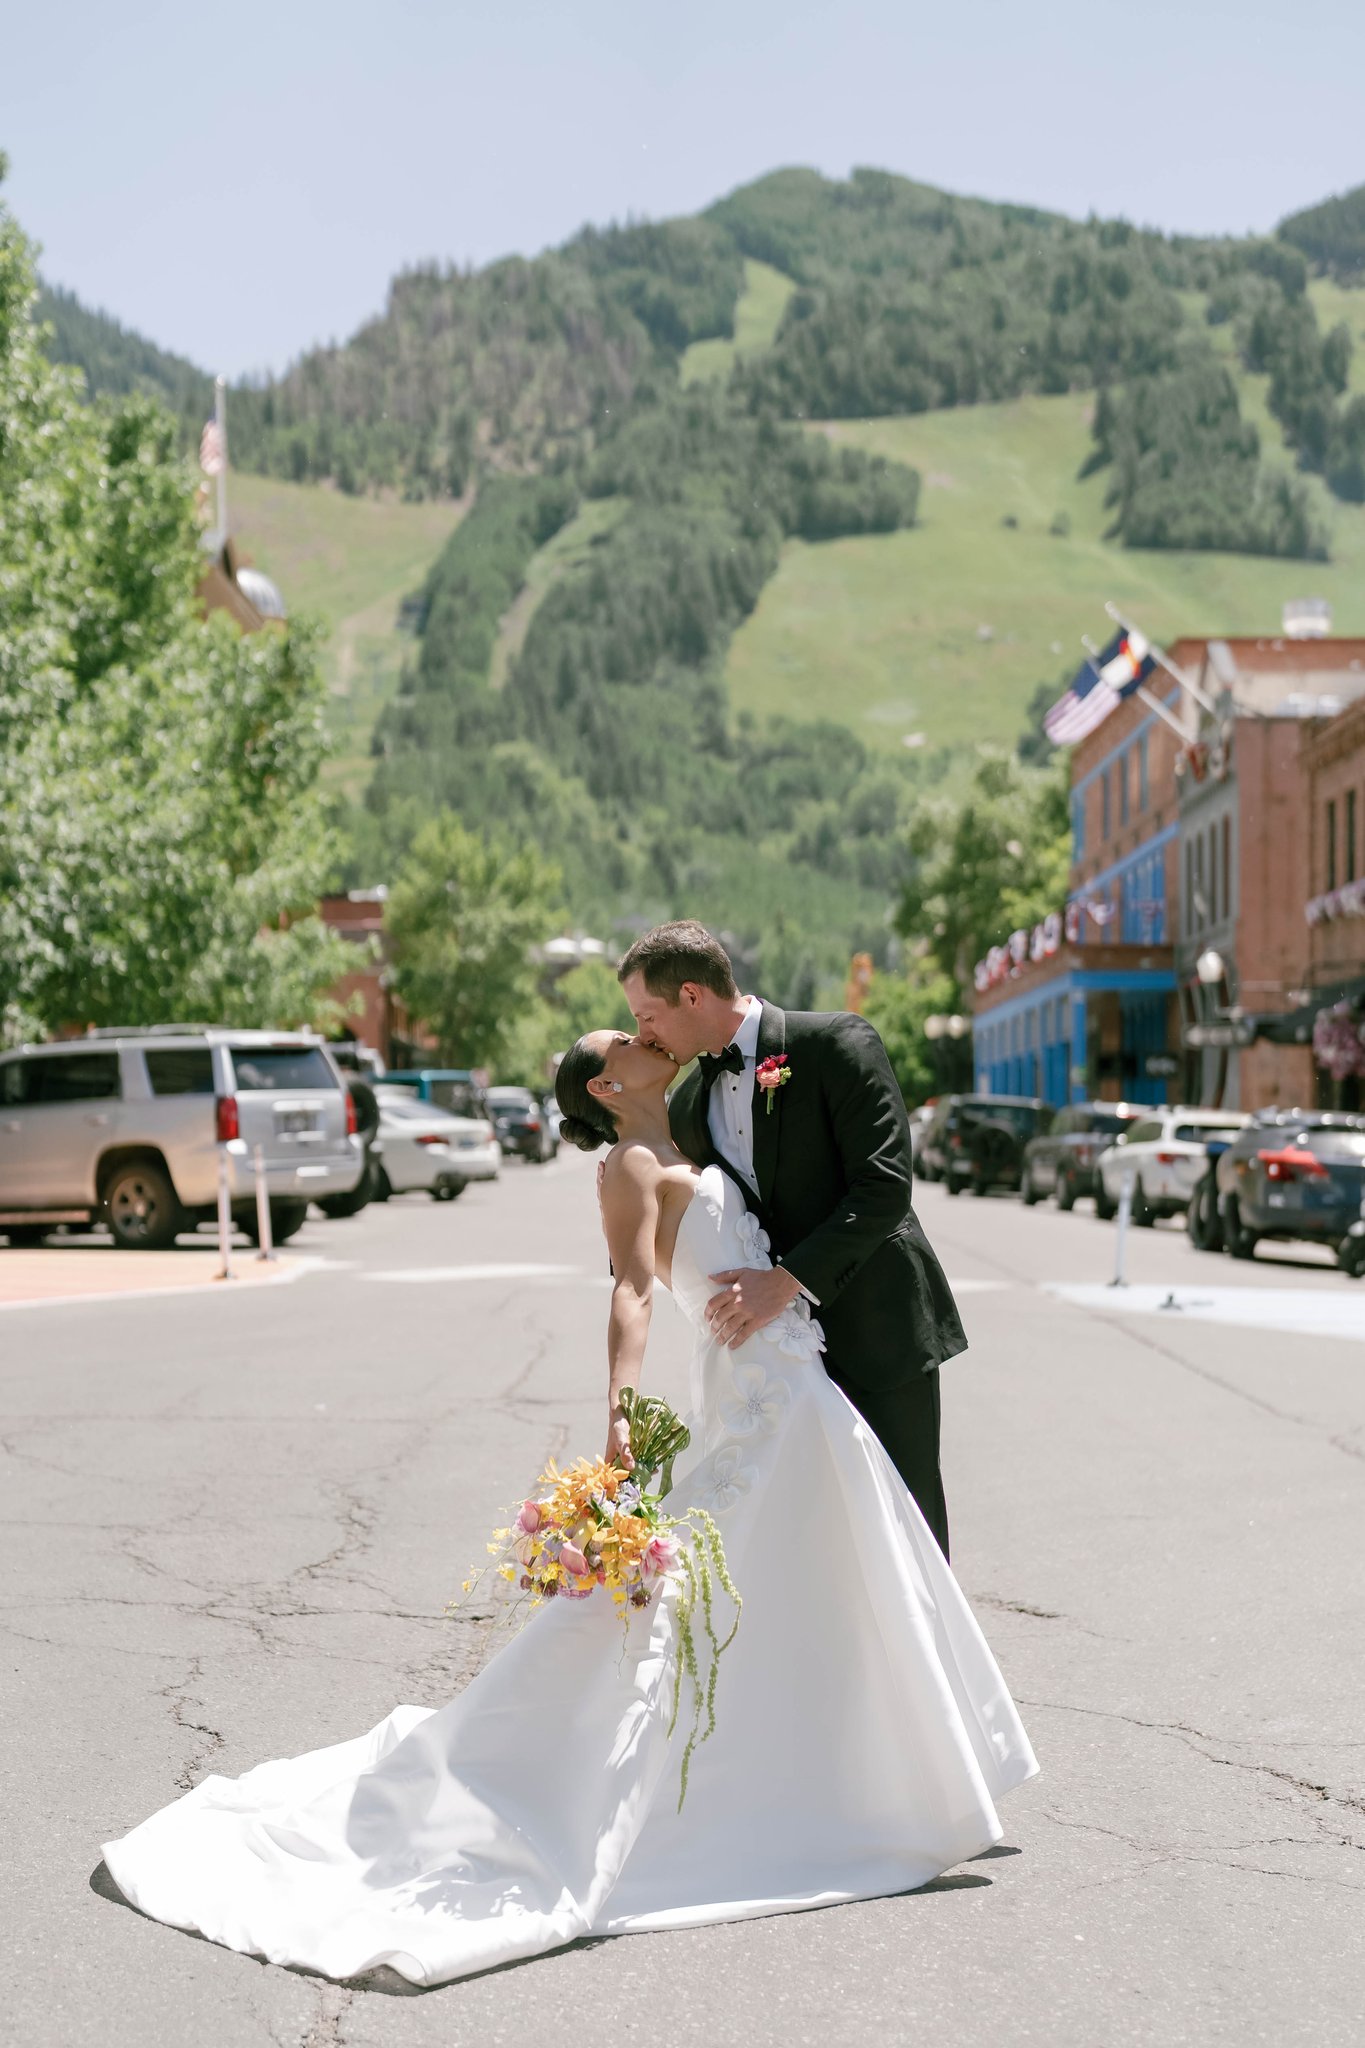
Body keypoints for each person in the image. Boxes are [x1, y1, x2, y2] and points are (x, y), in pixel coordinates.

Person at [101, 1023, 1035, 1988]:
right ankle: (713, 1789)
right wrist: (621, 1418)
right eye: (627, 1038)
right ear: (605, 1080)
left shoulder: (684, 1137)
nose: (648, 1037)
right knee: (699, 1606)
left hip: (797, 1387)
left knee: (827, 1585)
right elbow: (631, 1292)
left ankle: (860, 1776)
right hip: (763, 1403)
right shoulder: (629, 1167)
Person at [619, 920, 962, 1558]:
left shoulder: (836, 1043)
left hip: (879, 1329)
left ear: (692, 996)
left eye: (648, 1015)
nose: (644, 1034)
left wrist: (786, 1282)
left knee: (906, 1525)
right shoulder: (692, 1103)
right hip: (779, 1366)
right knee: (816, 1539)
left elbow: (884, 1188)